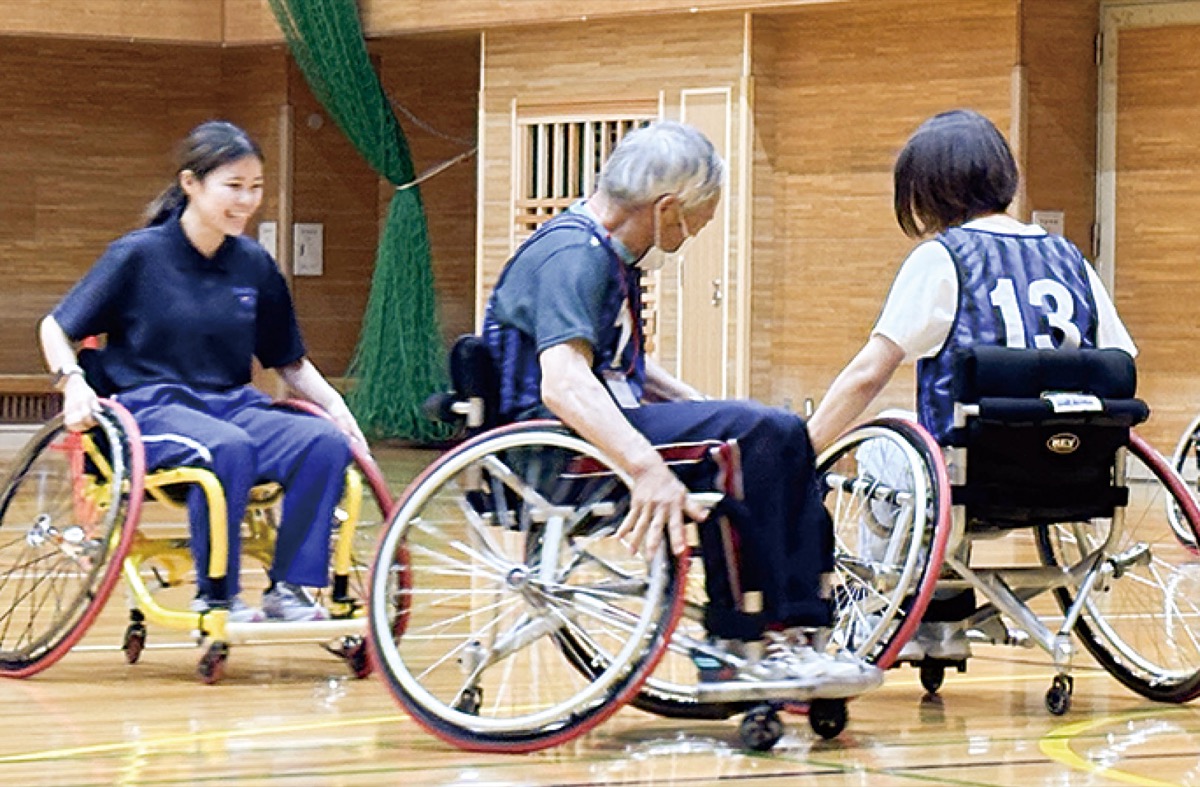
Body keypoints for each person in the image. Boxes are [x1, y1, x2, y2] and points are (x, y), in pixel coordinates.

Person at [482, 121, 882, 699]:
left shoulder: (606, 254)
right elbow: (564, 384)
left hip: (591, 431)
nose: (695, 233)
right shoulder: (573, 255)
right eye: (697, 220)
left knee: (783, 434)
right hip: (550, 451)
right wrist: (646, 467)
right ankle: (744, 640)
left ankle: (802, 630)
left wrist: (702, 407)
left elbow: (616, 370)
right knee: (751, 438)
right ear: (667, 208)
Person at [807, 109, 1138, 660]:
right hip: (1073, 471)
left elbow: (869, 372)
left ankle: (897, 610)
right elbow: (1120, 358)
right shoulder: (1069, 258)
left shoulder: (943, 258)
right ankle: (937, 617)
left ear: (928, 189)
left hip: (967, 476)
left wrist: (804, 447)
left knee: (882, 446)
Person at [40, 120, 366, 623]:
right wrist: (72, 382)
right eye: (233, 186)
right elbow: (54, 327)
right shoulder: (138, 255)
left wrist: (337, 409)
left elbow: (288, 359)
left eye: (255, 187)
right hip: (150, 408)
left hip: (233, 404)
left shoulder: (254, 265)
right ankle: (218, 596)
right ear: (191, 184)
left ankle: (291, 590)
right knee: (225, 448)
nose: (247, 200)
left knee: (322, 444)